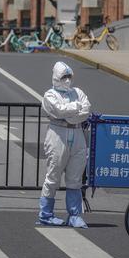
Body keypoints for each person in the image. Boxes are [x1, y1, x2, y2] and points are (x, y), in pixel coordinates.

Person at [38, 61, 91, 228]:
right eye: (64, 77)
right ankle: (46, 214)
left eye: (69, 76)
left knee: (75, 179)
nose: (67, 80)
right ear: (56, 77)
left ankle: (74, 215)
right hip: (57, 135)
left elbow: (86, 110)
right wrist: (75, 108)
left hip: (77, 135)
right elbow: (58, 110)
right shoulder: (50, 95)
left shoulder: (78, 92)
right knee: (53, 177)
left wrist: (68, 113)